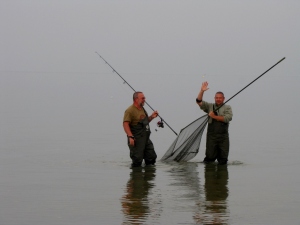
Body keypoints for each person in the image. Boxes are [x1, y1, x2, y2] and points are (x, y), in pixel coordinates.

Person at [196, 81, 233, 164]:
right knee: (209, 159)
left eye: (220, 98)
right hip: (211, 137)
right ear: (214, 98)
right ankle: (209, 175)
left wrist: (214, 116)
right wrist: (202, 91)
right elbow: (199, 101)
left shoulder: (227, 107)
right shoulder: (210, 106)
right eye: (217, 98)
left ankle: (222, 176)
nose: (218, 99)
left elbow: (228, 118)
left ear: (223, 98)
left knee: (223, 160)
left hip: (223, 137)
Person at [123, 91, 158, 167]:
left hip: (146, 138)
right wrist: (130, 137)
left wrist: (152, 117)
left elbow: (145, 122)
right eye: (142, 98)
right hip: (136, 139)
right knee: (137, 161)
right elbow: (125, 124)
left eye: (144, 98)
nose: (144, 99)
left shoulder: (142, 109)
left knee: (151, 158)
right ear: (136, 99)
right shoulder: (130, 110)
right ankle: (135, 177)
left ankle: (148, 177)